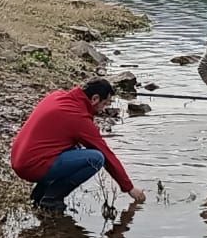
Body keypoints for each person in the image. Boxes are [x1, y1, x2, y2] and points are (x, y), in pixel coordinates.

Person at [10, 79, 146, 213]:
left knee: (75, 149)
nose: (103, 109)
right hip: (32, 166)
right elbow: (106, 153)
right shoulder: (77, 117)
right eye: (104, 104)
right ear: (94, 99)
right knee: (96, 158)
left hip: (19, 159)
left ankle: (39, 195)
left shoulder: (57, 96)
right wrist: (129, 188)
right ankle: (51, 199)